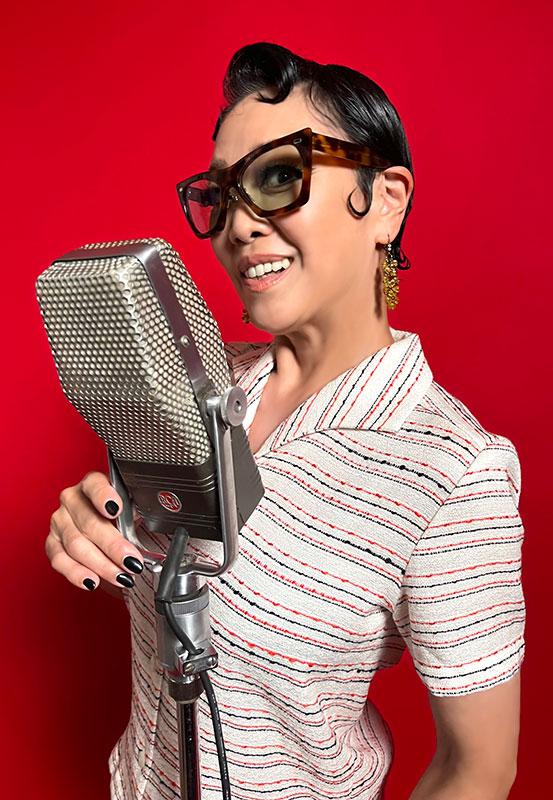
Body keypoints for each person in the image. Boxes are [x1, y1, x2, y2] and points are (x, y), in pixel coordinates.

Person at [46, 43, 525, 800]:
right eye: (221, 194)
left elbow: (480, 769)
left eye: (277, 177)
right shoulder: (195, 379)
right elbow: (181, 595)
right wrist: (97, 536)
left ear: (386, 200)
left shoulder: (454, 472)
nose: (238, 225)